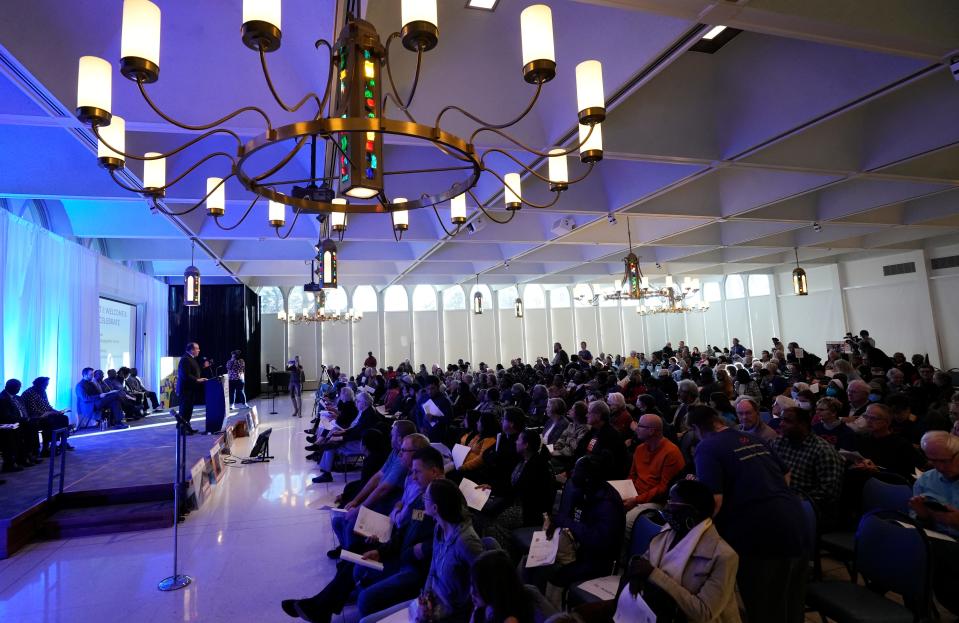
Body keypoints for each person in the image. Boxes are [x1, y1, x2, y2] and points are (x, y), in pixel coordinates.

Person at [282, 446, 446, 622]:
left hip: (413, 566)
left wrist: (400, 550)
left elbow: (436, 545)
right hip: (400, 550)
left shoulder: (442, 500)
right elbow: (406, 529)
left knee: (365, 594)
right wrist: (382, 550)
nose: (413, 477)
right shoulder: (423, 495)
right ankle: (321, 605)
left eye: (417, 472)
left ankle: (321, 605)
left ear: (435, 471)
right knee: (356, 550)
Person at [687, 405, 807, 623]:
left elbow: (714, 500)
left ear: (696, 427)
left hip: (758, 532)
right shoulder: (752, 438)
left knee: (764, 605)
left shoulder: (707, 447)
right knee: (791, 600)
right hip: (795, 519)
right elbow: (786, 473)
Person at [602, 480, 742, 623]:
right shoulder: (670, 531)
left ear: (691, 513)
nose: (666, 507)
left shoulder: (723, 557)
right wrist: (637, 573)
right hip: (657, 612)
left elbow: (703, 614)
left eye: (672, 503)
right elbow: (645, 562)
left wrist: (653, 575)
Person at [360, 478, 484, 623]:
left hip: (450, 616)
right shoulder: (439, 528)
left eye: (426, 497)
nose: (422, 498)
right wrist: (426, 599)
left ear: (435, 508)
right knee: (366, 621)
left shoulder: (466, 542)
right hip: (430, 606)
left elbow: (484, 586)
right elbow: (433, 570)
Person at [525, 454, 626, 608]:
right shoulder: (582, 490)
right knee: (531, 561)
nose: (572, 472)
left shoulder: (608, 504)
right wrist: (558, 522)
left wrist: (566, 522)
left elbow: (599, 541)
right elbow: (568, 516)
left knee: (557, 575)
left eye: (576, 470)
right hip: (576, 547)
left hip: (598, 560)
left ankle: (553, 613)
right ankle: (529, 606)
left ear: (588, 478)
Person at [472, 429, 555, 556]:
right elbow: (512, 485)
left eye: (519, 440)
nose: (516, 442)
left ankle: (506, 555)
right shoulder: (523, 460)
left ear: (526, 445)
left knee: (494, 523)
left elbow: (520, 491)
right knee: (484, 512)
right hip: (518, 502)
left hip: (529, 510)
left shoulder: (538, 466)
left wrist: (498, 497)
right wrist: (491, 487)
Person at [908, 431, 959, 617]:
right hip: (938, 542)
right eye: (932, 460)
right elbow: (920, 524)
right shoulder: (926, 479)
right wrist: (923, 516)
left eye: (944, 461)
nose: (939, 467)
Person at [771, 406, 844, 511]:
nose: (781, 424)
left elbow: (829, 494)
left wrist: (793, 500)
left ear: (803, 424)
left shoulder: (823, 451)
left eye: (787, 421)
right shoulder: (779, 442)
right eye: (781, 419)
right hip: (779, 495)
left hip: (805, 507)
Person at [624, 413, 685, 530]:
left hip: (657, 502)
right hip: (636, 495)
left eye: (640, 426)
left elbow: (663, 489)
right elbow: (632, 475)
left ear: (651, 431)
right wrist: (626, 492)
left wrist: (636, 500)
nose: (636, 429)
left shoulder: (671, 452)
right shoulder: (640, 448)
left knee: (628, 520)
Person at [852, 403, 921, 481]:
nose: (868, 421)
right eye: (866, 417)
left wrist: (878, 470)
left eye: (873, 418)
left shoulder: (901, 444)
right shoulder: (862, 439)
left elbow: (907, 473)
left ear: (887, 422)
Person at [469, 549, 541, 623]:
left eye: (477, 589)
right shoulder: (482, 605)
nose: (471, 592)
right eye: (472, 584)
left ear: (494, 590)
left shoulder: (510, 620)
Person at [21, 377, 73, 456]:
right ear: (38, 384)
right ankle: (46, 448)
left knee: (63, 418)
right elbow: (32, 410)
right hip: (36, 417)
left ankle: (63, 443)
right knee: (50, 422)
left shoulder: (43, 391)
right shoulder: (29, 393)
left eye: (47, 384)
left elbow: (47, 406)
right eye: (45, 385)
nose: (46, 386)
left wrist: (56, 412)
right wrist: (47, 413)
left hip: (47, 414)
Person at [177, 342, 207, 434]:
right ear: (192, 350)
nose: (199, 350)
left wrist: (203, 367)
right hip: (185, 389)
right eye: (197, 348)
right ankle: (182, 430)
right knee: (184, 410)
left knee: (188, 410)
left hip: (190, 389)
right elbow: (185, 375)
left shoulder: (191, 358)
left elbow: (193, 371)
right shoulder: (185, 359)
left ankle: (187, 427)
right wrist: (197, 380)